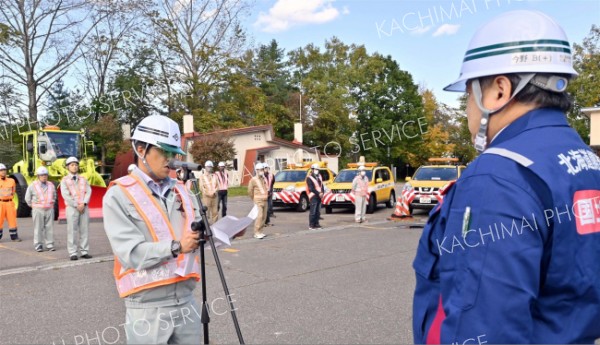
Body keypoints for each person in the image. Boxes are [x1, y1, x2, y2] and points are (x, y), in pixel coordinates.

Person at [412, 10, 600, 344]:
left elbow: (483, 327)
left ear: (499, 90)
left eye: (469, 94)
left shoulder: (497, 177)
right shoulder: (586, 162)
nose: (468, 108)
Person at [103, 115, 203, 344]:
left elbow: (196, 229)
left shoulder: (182, 190)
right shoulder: (119, 195)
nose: (171, 159)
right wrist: (177, 247)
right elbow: (130, 253)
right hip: (147, 307)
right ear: (141, 149)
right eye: (164, 152)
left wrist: (220, 234)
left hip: (186, 300)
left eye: (174, 153)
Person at [60, 156, 92, 260]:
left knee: (84, 230)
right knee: (72, 231)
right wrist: (76, 205)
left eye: (76, 165)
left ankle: (84, 251)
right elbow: (65, 195)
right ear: (67, 167)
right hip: (72, 208)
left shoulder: (83, 179)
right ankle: (73, 252)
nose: (74, 167)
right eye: (72, 165)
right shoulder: (64, 180)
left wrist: (84, 203)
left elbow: (89, 191)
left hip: (84, 208)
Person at [25, 167, 56, 252]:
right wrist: (33, 206)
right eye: (42, 175)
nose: (44, 177)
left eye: (45, 175)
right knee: (38, 228)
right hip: (38, 209)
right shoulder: (33, 185)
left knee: (49, 228)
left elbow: (54, 196)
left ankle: (50, 245)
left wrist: (51, 203)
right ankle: (38, 245)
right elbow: (27, 198)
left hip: (49, 209)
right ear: (38, 176)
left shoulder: (51, 185)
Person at [0, 163, 21, 242]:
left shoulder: (11, 181)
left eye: (4, 170)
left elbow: (13, 191)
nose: (3, 172)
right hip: (0, 203)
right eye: (1, 170)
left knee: (12, 220)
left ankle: (14, 236)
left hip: (9, 203)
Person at [248, 163, 268, 239]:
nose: (262, 171)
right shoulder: (253, 180)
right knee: (259, 216)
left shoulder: (263, 178)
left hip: (265, 200)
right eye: (260, 170)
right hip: (258, 201)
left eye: (262, 170)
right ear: (256, 170)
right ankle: (256, 232)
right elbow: (250, 191)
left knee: (264, 217)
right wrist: (253, 198)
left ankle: (261, 231)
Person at [306, 163, 323, 230]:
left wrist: (322, 193)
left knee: (317, 211)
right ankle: (311, 225)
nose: (317, 171)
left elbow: (322, 186)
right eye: (315, 169)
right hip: (313, 196)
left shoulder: (319, 177)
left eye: (318, 170)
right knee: (313, 211)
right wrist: (318, 193)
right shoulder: (309, 178)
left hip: (319, 196)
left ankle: (316, 224)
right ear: (312, 170)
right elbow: (311, 188)